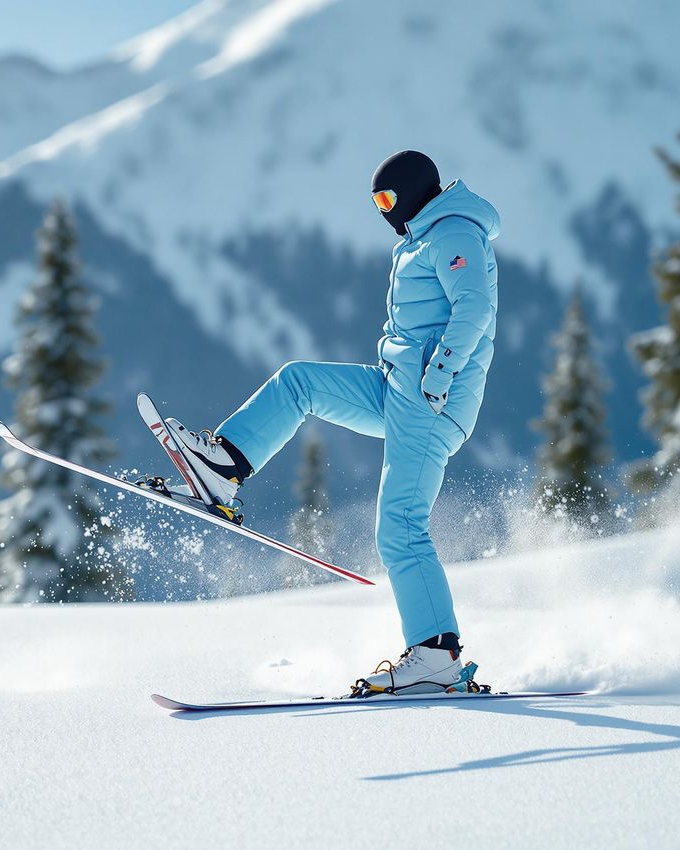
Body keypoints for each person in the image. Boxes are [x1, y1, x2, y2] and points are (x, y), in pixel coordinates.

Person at [163, 150, 501, 694]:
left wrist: (438, 376)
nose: (383, 211)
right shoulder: (424, 237)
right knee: (300, 382)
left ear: (414, 192)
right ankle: (223, 465)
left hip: (431, 399)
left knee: (401, 526)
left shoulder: (455, 232)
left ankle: (436, 656)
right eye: (376, 203)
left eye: (387, 199)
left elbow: (475, 310)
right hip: (401, 386)